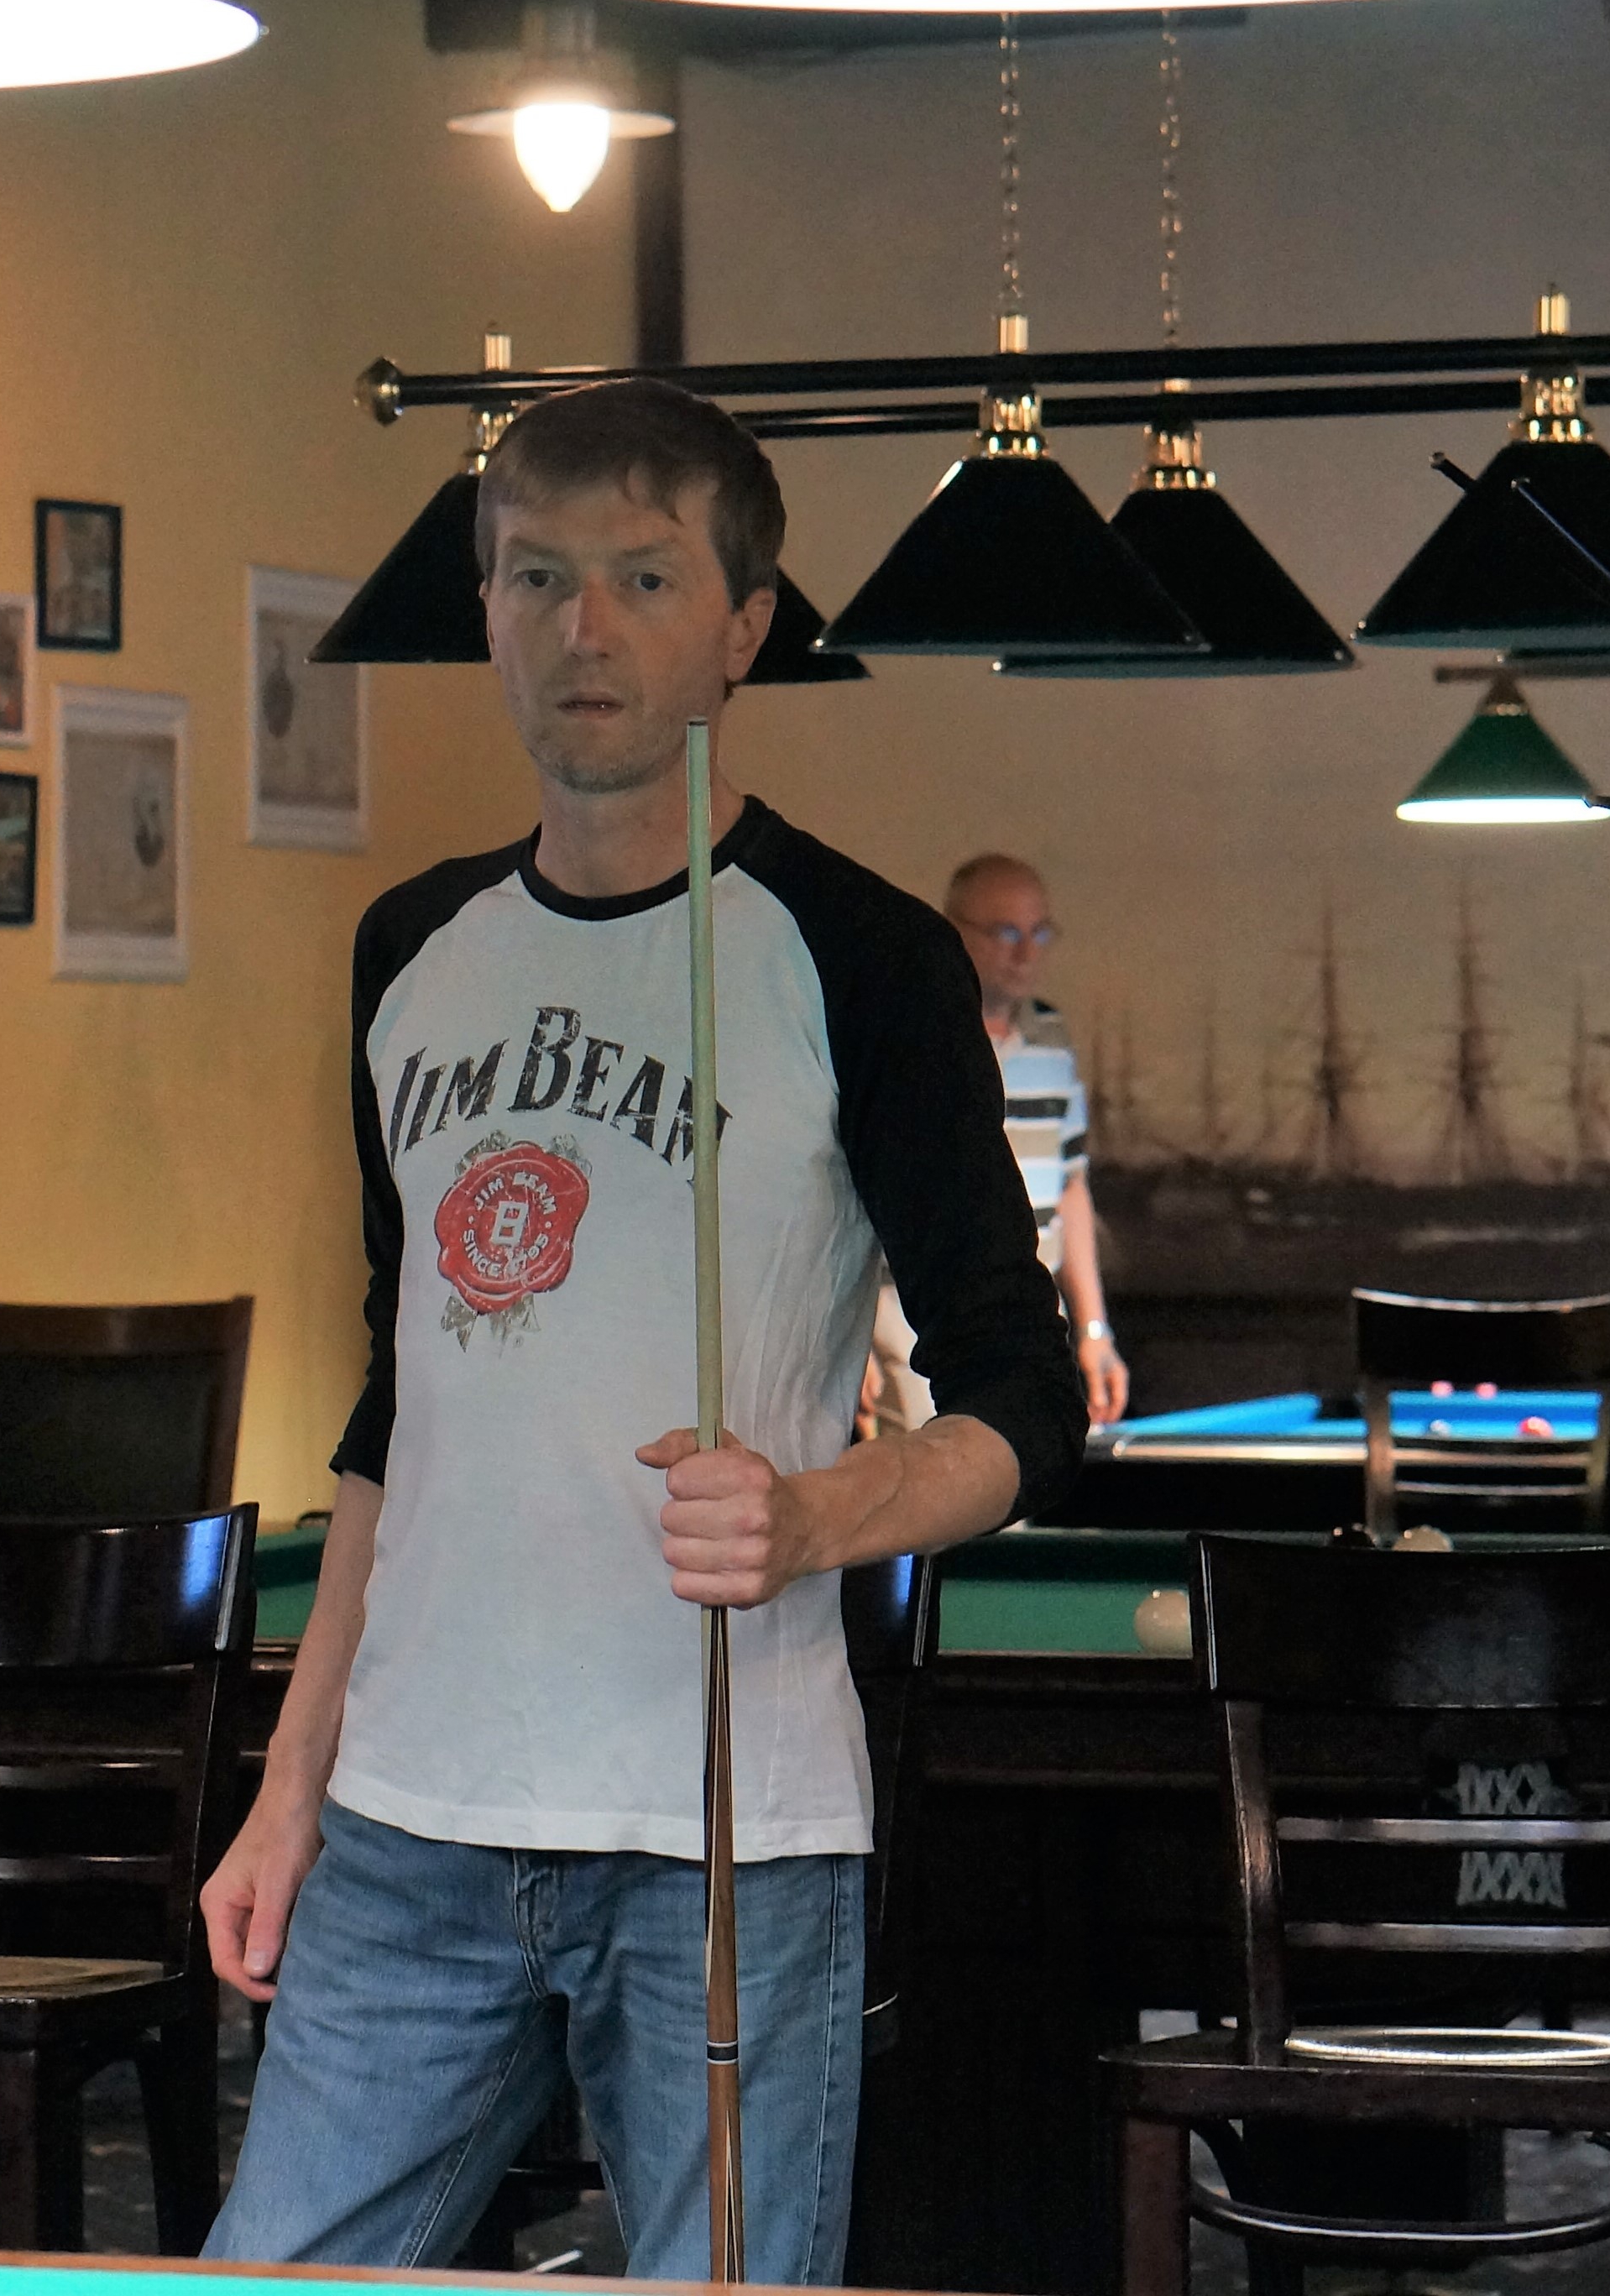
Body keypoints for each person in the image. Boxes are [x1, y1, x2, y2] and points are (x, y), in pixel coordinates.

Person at [199, 378, 1081, 2285]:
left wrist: (815, 1514)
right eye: (535, 576)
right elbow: (397, 1403)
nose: (581, 627)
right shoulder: (407, 950)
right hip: (407, 1827)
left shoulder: (860, 956)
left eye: (642, 578)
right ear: (486, 607)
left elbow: (1023, 1388)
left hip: (725, 1836)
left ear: (741, 626)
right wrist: (286, 1790)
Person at [868, 856, 1127, 1430]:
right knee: (935, 1478)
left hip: (1029, 1316)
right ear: (953, 930)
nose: (1026, 953)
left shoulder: (1050, 1036)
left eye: (1040, 933)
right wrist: (851, 1335)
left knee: (1022, 1476)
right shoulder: (907, 1036)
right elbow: (857, 1194)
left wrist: (1093, 1330)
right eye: (1007, 932)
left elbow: (1070, 1185)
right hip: (920, 1316)